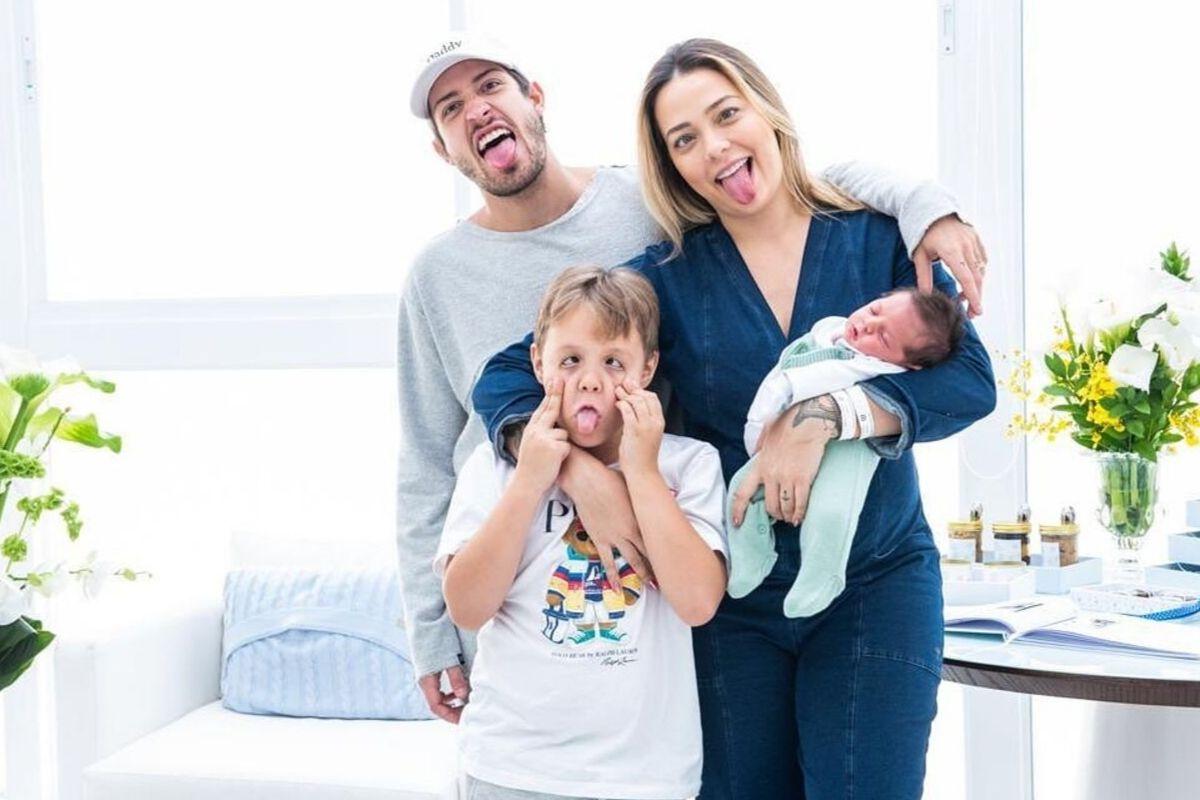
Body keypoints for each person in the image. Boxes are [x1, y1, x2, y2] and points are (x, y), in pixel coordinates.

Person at [397, 32, 989, 725]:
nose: (713, 147)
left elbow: (968, 379)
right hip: (725, 592)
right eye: (684, 140)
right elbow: (496, 384)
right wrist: (574, 473)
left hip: (871, 582)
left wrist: (828, 413)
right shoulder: (666, 273)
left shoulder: (865, 237)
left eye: (727, 114)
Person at [437, 266, 727, 799]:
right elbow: (467, 608)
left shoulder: (689, 465)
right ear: (537, 362)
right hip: (510, 768)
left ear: (648, 369)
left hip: (643, 778)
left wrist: (642, 472)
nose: (590, 380)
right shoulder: (494, 468)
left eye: (613, 362)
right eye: (570, 360)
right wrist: (530, 482)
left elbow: (697, 602)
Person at [729, 288, 966, 619]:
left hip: (850, 444)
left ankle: (823, 576)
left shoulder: (879, 371)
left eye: (883, 337)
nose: (869, 325)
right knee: (741, 491)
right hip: (780, 441)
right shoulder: (828, 334)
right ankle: (750, 558)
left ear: (907, 364)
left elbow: (972, 389)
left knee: (831, 511)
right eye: (875, 310)